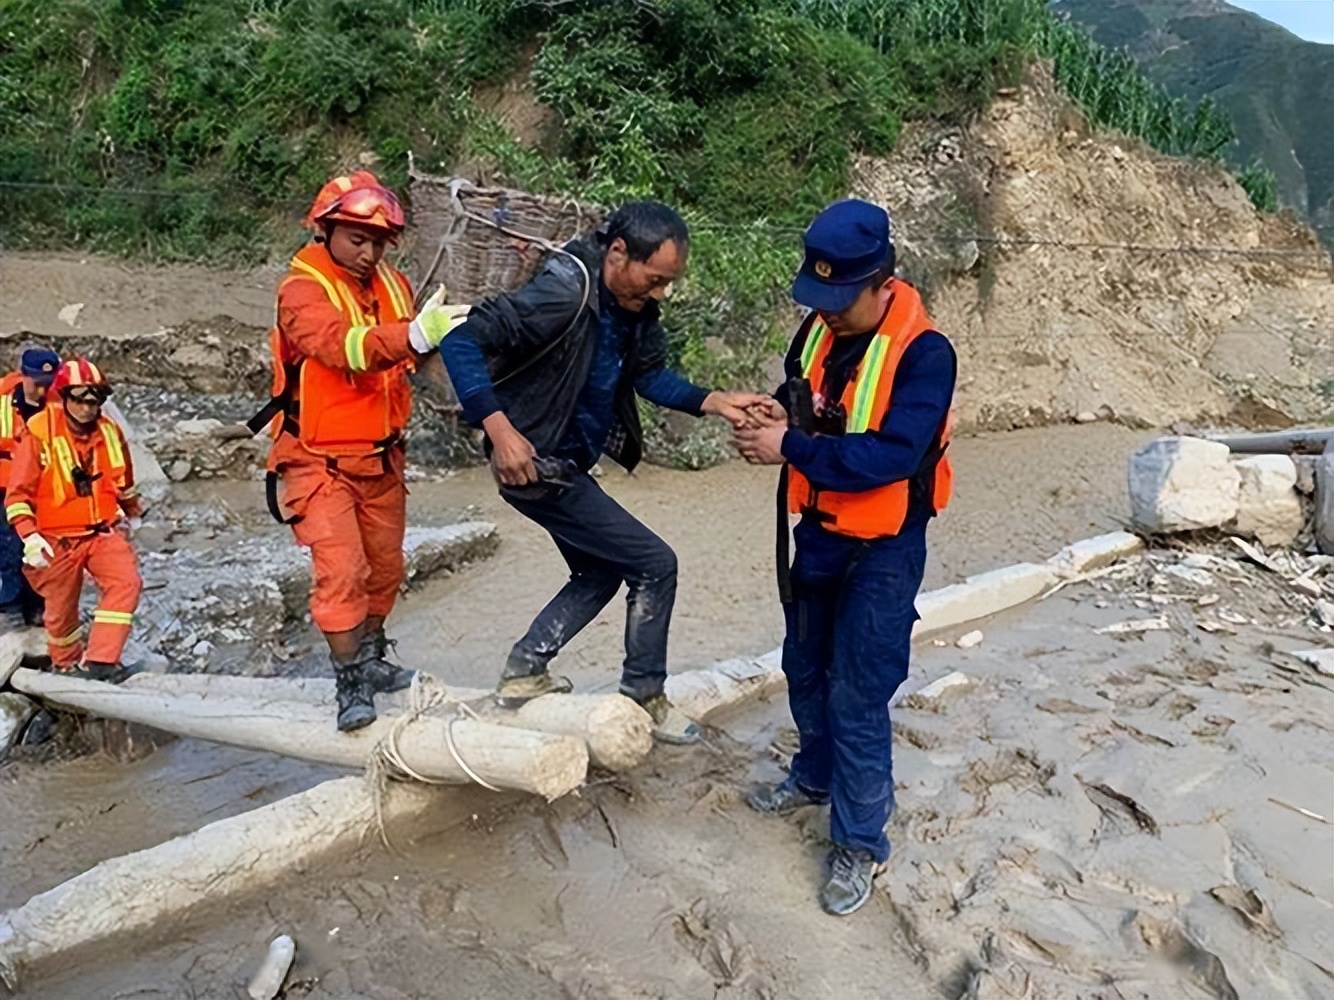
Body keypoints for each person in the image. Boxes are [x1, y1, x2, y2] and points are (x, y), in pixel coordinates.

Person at [438, 201, 769, 742]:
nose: (660, 292)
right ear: (618, 252)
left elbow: (650, 377)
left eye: (669, 282)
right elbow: (460, 340)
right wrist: (500, 433)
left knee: (601, 571)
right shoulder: (564, 291)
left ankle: (524, 671)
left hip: (565, 461)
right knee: (654, 564)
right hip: (535, 462)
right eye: (655, 278)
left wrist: (716, 400)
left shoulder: (634, 309)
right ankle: (644, 694)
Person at [734, 199, 957, 916]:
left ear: (882, 282)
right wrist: (777, 412)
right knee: (804, 667)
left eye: (839, 298)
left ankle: (859, 844)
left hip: (885, 550)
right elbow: (804, 392)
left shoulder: (927, 356)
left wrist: (790, 447)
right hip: (821, 535)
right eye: (817, 296)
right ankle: (813, 776)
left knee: (858, 693)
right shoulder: (819, 329)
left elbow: (891, 456)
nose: (824, 311)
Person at [252, 170, 468, 733]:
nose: (369, 251)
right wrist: (414, 337)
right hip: (318, 459)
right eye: (357, 239)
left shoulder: (392, 284)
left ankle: (370, 659)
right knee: (342, 571)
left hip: (381, 456)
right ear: (327, 230)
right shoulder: (301, 290)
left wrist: (438, 342)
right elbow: (341, 346)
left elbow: (402, 356)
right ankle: (350, 679)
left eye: (377, 241)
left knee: (385, 569)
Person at [4, 358, 145, 678]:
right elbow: (18, 494)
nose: (87, 406)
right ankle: (66, 664)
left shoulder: (110, 433)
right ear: (64, 396)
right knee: (60, 613)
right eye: (80, 398)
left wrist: (133, 513)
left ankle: (100, 661)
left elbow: (125, 481)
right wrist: (30, 536)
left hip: (101, 532)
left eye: (94, 399)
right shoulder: (40, 431)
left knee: (127, 583)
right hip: (55, 539)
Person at [0, 346, 61, 629]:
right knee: (8, 547)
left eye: (47, 385)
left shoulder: (58, 405)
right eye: (37, 384)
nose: (41, 391)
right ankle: (10, 607)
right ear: (23, 376)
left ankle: (39, 605)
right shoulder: (2, 401)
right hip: (4, 486)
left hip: (43, 487)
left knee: (43, 548)